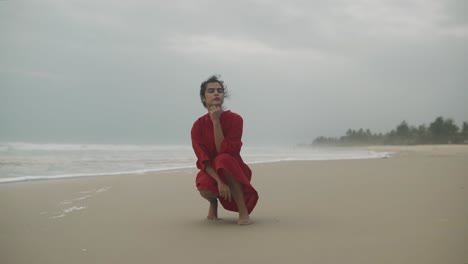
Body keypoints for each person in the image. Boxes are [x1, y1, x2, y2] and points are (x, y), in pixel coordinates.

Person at [191, 75, 259, 225]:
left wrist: (216, 122)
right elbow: (203, 160)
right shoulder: (197, 126)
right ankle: (213, 203)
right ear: (203, 98)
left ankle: (243, 211)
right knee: (204, 187)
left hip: (234, 169)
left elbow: (225, 151)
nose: (216, 93)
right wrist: (219, 181)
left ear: (223, 96)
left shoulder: (235, 120)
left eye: (219, 91)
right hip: (213, 172)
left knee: (223, 159)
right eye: (211, 91)